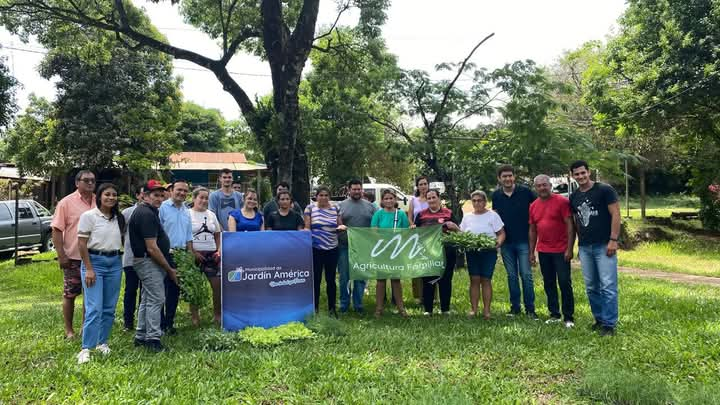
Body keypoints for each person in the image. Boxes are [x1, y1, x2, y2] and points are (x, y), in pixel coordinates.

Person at [569, 160, 621, 336]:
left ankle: (609, 324)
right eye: (577, 174)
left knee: (608, 285)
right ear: (572, 176)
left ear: (588, 172)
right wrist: (577, 244)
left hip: (604, 245)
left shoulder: (604, 190)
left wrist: (613, 239)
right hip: (585, 247)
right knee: (591, 286)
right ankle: (599, 319)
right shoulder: (574, 196)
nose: (581, 176)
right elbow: (576, 222)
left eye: (583, 173)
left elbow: (616, 214)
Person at [75, 183, 125, 364]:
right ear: (99, 197)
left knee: (109, 307)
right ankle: (86, 348)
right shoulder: (89, 216)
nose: (111, 198)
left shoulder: (118, 218)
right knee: (94, 307)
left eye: (114, 195)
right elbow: (81, 244)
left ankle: (102, 343)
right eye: (107, 194)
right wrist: (88, 268)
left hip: (114, 263)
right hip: (94, 263)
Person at [129, 180, 178, 352]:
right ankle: (153, 339)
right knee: (157, 299)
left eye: (161, 195)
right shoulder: (146, 214)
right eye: (155, 195)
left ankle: (141, 335)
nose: (159, 198)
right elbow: (152, 247)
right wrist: (169, 268)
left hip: (146, 261)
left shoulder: (149, 211)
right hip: (148, 261)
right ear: (145, 196)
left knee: (148, 298)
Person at [51, 170, 97, 339]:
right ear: (77, 183)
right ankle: (69, 330)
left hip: (94, 257)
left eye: (93, 180)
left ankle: (87, 327)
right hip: (73, 258)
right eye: (86, 180)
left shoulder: (99, 201)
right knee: (70, 294)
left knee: (90, 295)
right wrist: (61, 255)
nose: (90, 183)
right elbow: (56, 230)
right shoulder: (66, 203)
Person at [492, 164, 538, 319]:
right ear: (499, 179)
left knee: (526, 275)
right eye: (504, 176)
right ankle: (515, 308)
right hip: (506, 242)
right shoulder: (496, 196)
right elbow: (495, 218)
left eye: (510, 175)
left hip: (524, 240)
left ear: (514, 177)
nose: (508, 179)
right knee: (511, 276)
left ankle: (530, 309)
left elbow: (537, 209)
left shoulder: (526, 192)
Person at [529, 174, 576, 328]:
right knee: (549, 283)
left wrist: (569, 249)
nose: (542, 188)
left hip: (561, 250)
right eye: (539, 185)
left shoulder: (562, 202)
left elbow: (570, 226)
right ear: (535, 188)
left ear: (550, 185)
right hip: (543, 250)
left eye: (545, 185)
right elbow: (533, 230)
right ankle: (554, 314)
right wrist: (531, 252)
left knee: (564, 282)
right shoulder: (533, 205)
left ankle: (568, 317)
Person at [413, 189, 460, 315]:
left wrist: (454, 227)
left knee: (445, 280)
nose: (432, 200)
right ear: (426, 200)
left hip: (447, 251)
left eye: (434, 197)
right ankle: (428, 310)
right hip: (428, 253)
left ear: (439, 198)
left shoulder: (448, 213)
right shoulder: (421, 215)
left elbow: (458, 231)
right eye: (429, 198)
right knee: (428, 280)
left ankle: (445, 309)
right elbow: (415, 233)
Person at [460, 190, 505, 320]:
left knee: (486, 279)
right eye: (474, 201)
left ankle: (486, 311)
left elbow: (501, 233)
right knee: (474, 279)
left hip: (488, 251)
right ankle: (473, 309)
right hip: (472, 251)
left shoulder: (492, 216)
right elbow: (462, 234)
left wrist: (498, 243)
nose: (477, 203)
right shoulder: (467, 217)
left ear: (485, 202)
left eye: (479, 200)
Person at [337, 179, 378, 314]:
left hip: (363, 247)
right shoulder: (340, 206)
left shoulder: (371, 206)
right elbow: (335, 223)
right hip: (345, 246)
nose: (356, 191)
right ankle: (344, 304)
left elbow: (378, 223)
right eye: (353, 189)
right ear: (349, 190)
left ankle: (358, 305)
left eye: (358, 189)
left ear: (362, 190)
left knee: (360, 277)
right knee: (344, 277)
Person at [159, 180, 194, 334]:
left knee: (174, 291)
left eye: (185, 191)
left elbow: (188, 235)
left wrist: (190, 254)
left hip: (181, 255)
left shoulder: (186, 211)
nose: (182, 193)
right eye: (179, 190)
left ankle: (169, 323)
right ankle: (159, 324)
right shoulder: (162, 208)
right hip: (164, 254)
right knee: (160, 290)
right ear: (171, 190)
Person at [370, 189, 409, 318]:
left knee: (396, 280)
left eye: (391, 198)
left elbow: (405, 232)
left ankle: (401, 308)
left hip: (396, 251)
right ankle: (379, 308)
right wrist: (384, 243)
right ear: (382, 200)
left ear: (395, 199)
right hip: (382, 251)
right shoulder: (378, 214)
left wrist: (396, 241)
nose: (389, 201)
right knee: (380, 280)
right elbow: (374, 231)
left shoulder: (401, 214)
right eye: (386, 198)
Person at [304, 186, 340, 316]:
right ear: (316, 196)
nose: (323, 198)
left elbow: (339, 224)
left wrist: (342, 227)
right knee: (316, 279)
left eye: (326, 195)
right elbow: (307, 227)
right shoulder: (310, 208)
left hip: (332, 248)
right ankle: (315, 308)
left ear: (329, 197)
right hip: (316, 248)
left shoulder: (335, 208)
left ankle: (332, 309)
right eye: (321, 195)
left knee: (331, 280)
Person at [189, 187, 222, 325]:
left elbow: (218, 234)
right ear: (194, 198)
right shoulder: (187, 214)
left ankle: (217, 315)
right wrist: (193, 252)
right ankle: (195, 317)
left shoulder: (211, 215)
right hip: (195, 254)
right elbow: (185, 236)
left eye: (206, 198)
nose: (203, 200)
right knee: (194, 287)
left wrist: (219, 250)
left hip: (211, 255)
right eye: (201, 197)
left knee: (217, 286)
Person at [120, 186, 148, 331]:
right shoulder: (127, 213)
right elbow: (120, 232)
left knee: (145, 291)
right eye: (142, 194)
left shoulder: (154, 212)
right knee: (130, 290)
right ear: (137, 195)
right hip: (130, 258)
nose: (145, 196)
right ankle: (128, 321)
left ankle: (142, 321)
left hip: (148, 259)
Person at [407, 175, 430, 305]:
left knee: (431, 266)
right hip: (416, 237)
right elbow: (410, 217)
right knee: (417, 265)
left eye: (425, 184)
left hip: (430, 237)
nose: (423, 186)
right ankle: (418, 296)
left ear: (428, 185)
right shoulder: (413, 200)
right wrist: (412, 225)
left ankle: (432, 296)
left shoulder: (433, 198)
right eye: (420, 184)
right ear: (417, 186)